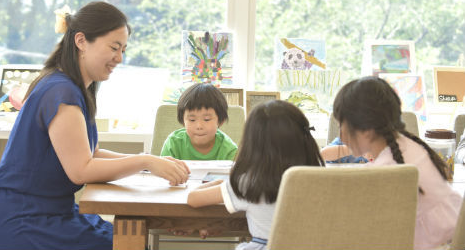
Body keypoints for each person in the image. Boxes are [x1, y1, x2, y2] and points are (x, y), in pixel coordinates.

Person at [0, 1, 190, 250]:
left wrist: (151, 163)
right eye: (114, 47)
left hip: (50, 212)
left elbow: (91, 153)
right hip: (25, 219)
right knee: (128, 245)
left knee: (133, 241)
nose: (120, 58)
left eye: (123, 49)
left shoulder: (74, 88)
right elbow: (81, 170)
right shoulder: (61, 91)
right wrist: (145, 162)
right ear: (81, 41)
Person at [332, 76, 462, 250]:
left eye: (342, 124)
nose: (340, 135)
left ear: (368, 130)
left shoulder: (386, 172)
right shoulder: (410, 147)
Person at [187, 100, 324, 249]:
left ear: (252, 144)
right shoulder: (320, 180)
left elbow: (193, 198)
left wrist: (222, 183)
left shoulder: (247, 183)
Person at [160, 82, 238, 160]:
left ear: (221, 121)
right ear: (183, 121)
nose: (199, 126)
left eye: (207, 119)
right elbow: (163, 170)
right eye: (192, 120)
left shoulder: (229, 150)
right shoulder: (173, 143)